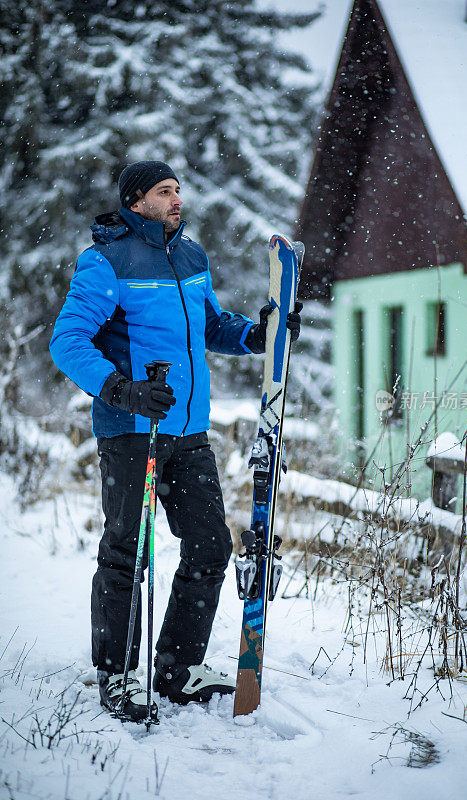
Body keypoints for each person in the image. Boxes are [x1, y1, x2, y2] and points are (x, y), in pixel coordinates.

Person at [50, 161, 301, 722]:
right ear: (135, 201)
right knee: (126, 554)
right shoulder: (106, 261)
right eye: (165, 191)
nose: (176, 199)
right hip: (132, 432)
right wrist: (123, 390)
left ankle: (175, 668)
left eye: (178, 190)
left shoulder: (189, 256)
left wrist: (256, 336)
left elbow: (209, 327)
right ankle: (116, 675)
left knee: (211, 546)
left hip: (187, 431)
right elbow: (66, 342)